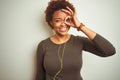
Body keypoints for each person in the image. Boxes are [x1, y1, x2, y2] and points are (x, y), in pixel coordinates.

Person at [35, 0, 116, 80]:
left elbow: (109, 51)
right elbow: (40, 75)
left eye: (67, 20)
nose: (63, 24)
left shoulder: (79, 41)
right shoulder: (43, 45)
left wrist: (80, 26)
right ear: (51, 22)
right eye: (57, 20)